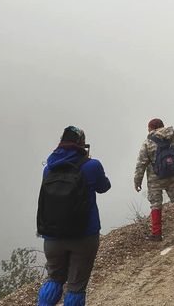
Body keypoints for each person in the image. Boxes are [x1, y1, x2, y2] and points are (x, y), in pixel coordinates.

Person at [36, 126, 111, 306]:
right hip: (84, 236)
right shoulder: (92, 166)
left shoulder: (48, 169)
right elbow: (104, 187)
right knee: (76, 286)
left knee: (54, 279)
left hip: (52, 237)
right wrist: (88, 160)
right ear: (82, 144)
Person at [134, 118, 174, 241]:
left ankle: (157, 234)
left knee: (156, 204)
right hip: (172, 174)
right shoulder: (172, 138)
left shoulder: (147, 143)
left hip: (155, 178)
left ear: (151, 128)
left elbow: (141, 164)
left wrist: (137, 181)